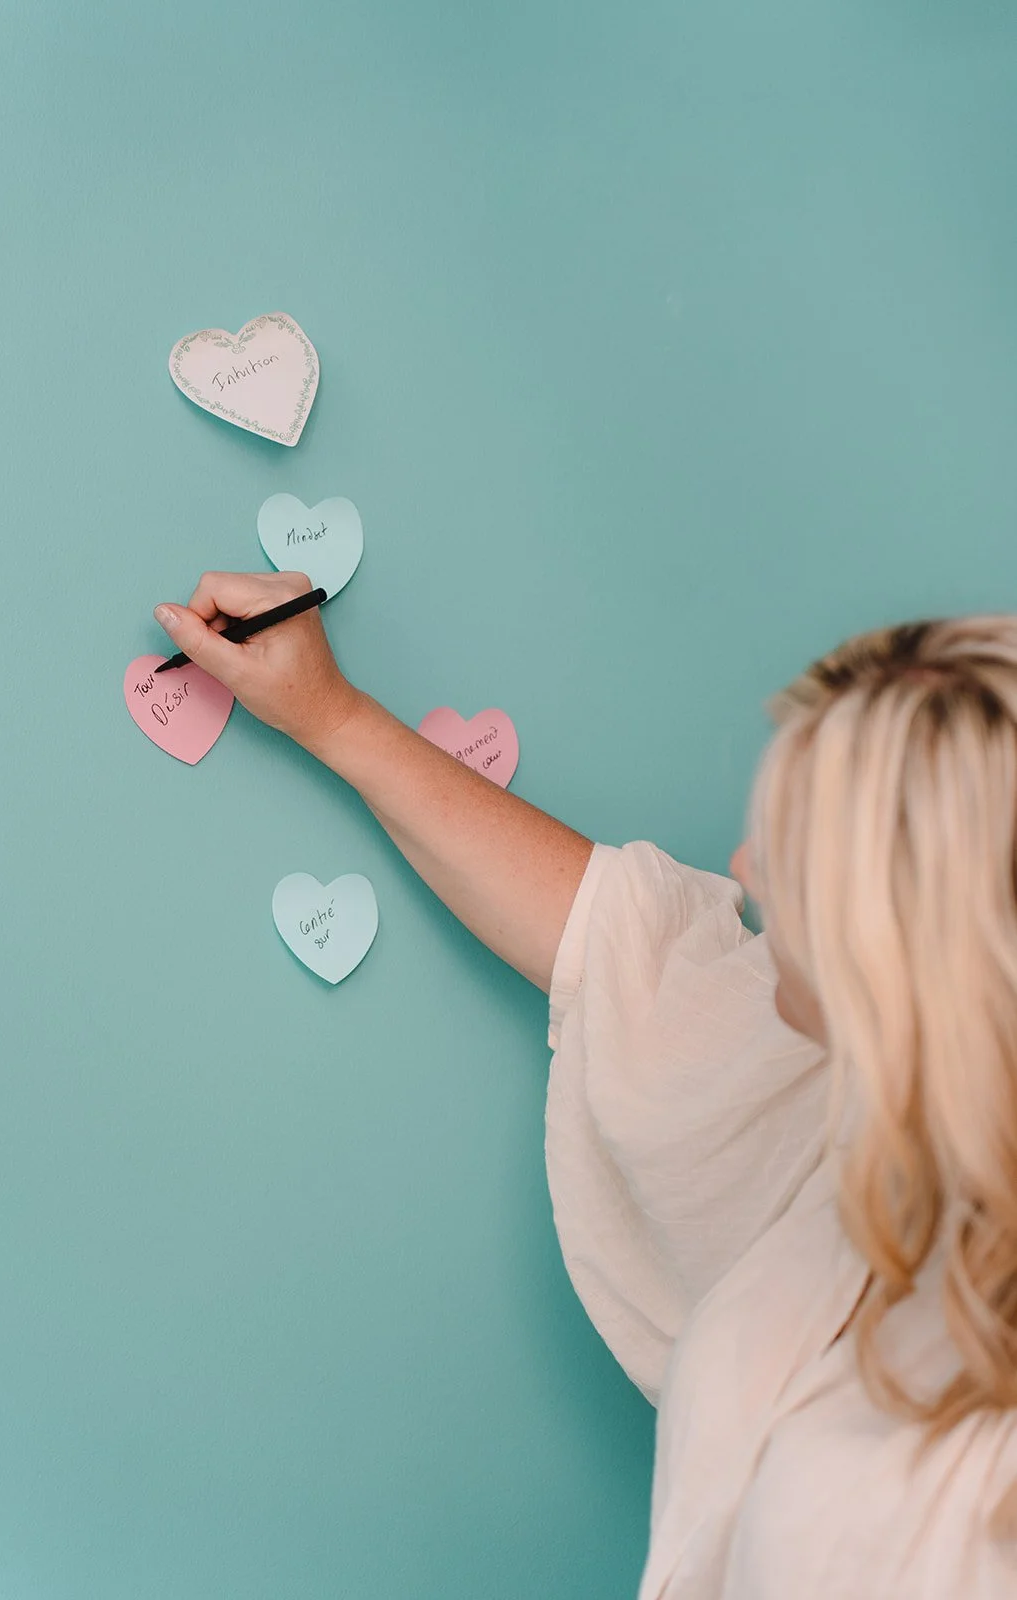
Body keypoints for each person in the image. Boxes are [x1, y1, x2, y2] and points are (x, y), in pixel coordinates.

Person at [155, 574, 1017, 1598]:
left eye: (791, 850)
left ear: (908, 953)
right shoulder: (850, 1106)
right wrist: (332, 715)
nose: (743, 865)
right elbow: (626, 949)